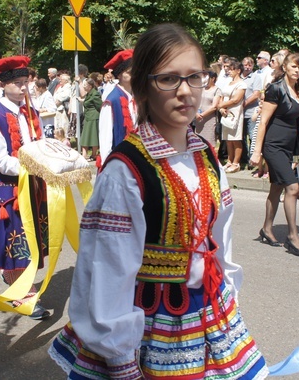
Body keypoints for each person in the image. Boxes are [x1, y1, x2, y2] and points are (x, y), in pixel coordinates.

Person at [50, 22, 267, 380]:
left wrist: (228, 298)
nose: (185, 92)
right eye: (168, 79)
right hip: (151, 327)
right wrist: (121, 362)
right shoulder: (126, 171)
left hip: (208, 313)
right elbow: (106, 270)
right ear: (143, 88)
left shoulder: (206, 156)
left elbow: (220, 240)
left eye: (194, 77)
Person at [0, 55, 50, 320]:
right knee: (17, 246)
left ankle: (14, 278)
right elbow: (1, 161)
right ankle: (24, 296)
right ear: (2, 84)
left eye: (26, 82)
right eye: (18, 83)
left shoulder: (30, 112)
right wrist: (35, 165)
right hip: (10, 194)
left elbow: (39, 142)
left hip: (33, 188)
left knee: (32, 243)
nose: (24, 88)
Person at [250, 52, 299, 256]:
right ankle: (293, 236)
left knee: (276, 188)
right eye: (294, 66)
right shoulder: (276, 89)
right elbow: (264, 121)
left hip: (288, 146)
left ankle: (267, 229)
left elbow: (290, 116)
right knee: (292, 188)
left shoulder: (296, 89)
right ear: (284, 67)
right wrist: (257, 152)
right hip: (273, 146)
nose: (297, 70)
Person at [98, 49, 135, 161]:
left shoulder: (138, 97)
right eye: (130, 72)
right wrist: (108, 165)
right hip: (119, 161)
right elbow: (105, 139)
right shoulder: (111, 101)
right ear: (119, 74)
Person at [217, 58, 247, 173]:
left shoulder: (242, 84)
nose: (229, 71)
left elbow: (236, 99)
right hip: (225, 113)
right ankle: (229, 161)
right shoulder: (228, 82)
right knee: (228, 139)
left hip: (235, 113)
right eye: (228, 69)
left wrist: (221, 105)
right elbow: (222, 96)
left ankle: (236, 163)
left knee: (236, 139)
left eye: (232, 69)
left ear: (238, 71)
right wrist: (221, 108)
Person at [195, 69, 220, 143]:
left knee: (209, 142)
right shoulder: (201, 88)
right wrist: (196, 114)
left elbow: (214, 107)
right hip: (198, 120)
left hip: (209, 120)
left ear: (213, 78)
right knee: (198, 142)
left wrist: (202, 115)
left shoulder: (217, 90)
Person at [79, 78, 101, 160]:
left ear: (90, 86)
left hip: (93, 118)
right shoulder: (89, 94)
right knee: (85, 136)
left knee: (93, 136)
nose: (84, 87)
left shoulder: (95, 94)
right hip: (88, 117)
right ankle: (84, 155)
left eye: (85, 85)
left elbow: (100, 106)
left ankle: (94, 154)